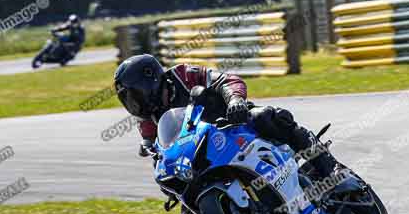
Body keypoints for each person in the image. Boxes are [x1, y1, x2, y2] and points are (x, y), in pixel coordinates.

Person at [113, 54, 342, 181]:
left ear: (150, 81)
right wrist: (148, 148)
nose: (135, 103)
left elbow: (225, 79)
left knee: (270, 117)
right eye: (128, 99)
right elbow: (152, 140)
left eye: (136, 95)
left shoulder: (183, 75)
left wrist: (235, 100)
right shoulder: (149, 116)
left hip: (235, 124)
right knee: (179, 196)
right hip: (203, 151)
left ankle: (330, 168)